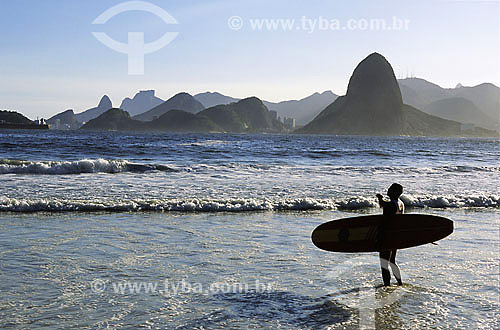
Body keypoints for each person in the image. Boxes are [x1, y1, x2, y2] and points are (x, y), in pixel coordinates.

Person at [376, 183, 404, 286]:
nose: (388, 190)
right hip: (395, 236)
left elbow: (385, 206)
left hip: (387, 236)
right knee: (392, 261)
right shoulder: (400, 203)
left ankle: (386, 286)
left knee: (384, 263)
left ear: (395, 192)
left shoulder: (392, 204)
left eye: (390, 189)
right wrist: (381, 200)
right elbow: (386, 205)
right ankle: (399, 282)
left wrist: (379, 198)